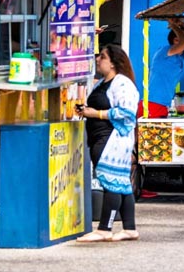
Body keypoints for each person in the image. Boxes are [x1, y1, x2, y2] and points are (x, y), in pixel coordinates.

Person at [77, 44, 140, 243]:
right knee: (122, 183)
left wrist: (96, 114)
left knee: (110, 180)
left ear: (112, 63)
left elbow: (127, 112)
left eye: (102, 57)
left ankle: (105, 228)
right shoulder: (103, 82)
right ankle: (129, 228)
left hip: (111, 139)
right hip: (101, 136)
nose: (97, 59)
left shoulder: (122, 83)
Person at [139, 19, 184, 118]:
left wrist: (182, 24)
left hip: (163, 105)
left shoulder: (180, 57)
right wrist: (174, 26)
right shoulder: (165, 51)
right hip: (152, 103)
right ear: (175, 41)